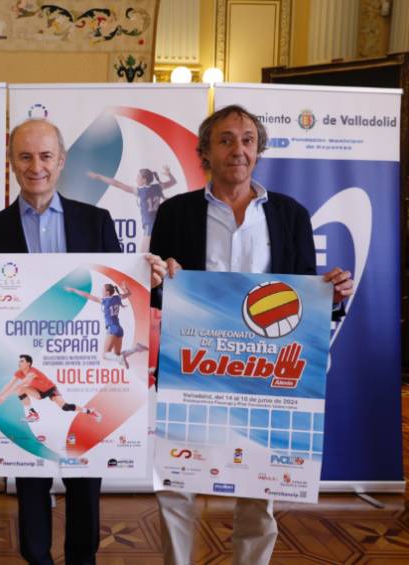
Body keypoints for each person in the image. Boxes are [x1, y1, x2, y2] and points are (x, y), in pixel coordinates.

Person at [148, 104, 354, 565]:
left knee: (259, 491)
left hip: (263, 374)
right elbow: (156, 293)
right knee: (177, 485)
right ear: (205, 151)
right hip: (194, 370)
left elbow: (305, 297)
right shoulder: (176, 212)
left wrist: (333, 293)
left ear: (258, 150)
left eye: (246, 140)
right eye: (225, 140)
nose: (237, 149)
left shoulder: (290, 215)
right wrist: (162, 278)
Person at [0, 118, 153, 565]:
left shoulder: (97, 221)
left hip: (84, 372)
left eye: (46, 156)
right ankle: (37, 560)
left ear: (62, 160)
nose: (36, 166)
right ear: (11, 162)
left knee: (85, 479)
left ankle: (82, 560)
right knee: (29, 478)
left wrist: (150, 280)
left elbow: (119, 292)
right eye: (25, 156)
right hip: (28, 372)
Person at [87, 165, 176, 252]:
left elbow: (117, 184)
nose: (136, 178)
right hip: (160, 222)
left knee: (143, 253)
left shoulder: (141, 191)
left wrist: (99, 176)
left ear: (144, 179)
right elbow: (173, 181)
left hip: (150, 224)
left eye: (138, 176)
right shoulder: (158, 187)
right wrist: (169, 174)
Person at [0, 354, 102, 423]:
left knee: (65, 407)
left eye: (22, 361)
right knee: (21, 390)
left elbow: (20, 384)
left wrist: (4, 397)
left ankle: (89, 411)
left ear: (28, 363)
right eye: (19, 361)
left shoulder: (32, 372)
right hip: (39, 391)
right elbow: (10, 384)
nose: (19, 363)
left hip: (50, 389)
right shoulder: (19, 372)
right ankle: (33, 414)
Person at [64, 283, 148, 366]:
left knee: (105, 355)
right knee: (117, 354)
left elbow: (87, 295)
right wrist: (126, 288)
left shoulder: (104, 301)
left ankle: (120, 358)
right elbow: (129, 294)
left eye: (103, 290)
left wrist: (74, 290)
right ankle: (136, 349)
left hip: (112, 329)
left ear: (107, 292)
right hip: (119, 329)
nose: (101, 291)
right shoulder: (117, 298)